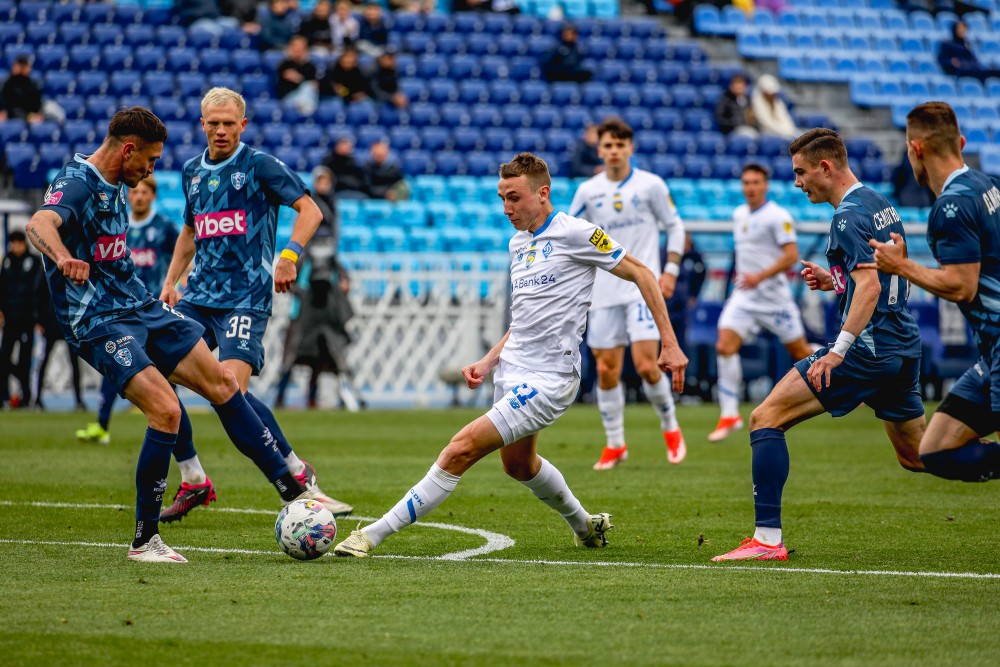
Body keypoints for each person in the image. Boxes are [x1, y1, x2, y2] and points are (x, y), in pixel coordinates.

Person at [332, 152, 689, 558]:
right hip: (512, 369)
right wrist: (490, 359)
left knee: (461, 448)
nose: (506, 208)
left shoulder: (578, 233)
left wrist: (669, 342)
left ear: (543, 193)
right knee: (518, 465)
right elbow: (524, 319)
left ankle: (371, 534)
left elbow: (642, 273)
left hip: (551, 378)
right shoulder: (518, 243)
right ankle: (585, 526)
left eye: (515, 198)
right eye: (502, 198)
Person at [25, 107, 328, 562]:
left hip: (140, 305)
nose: (151, 171)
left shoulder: (119, 182)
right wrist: (64, 258)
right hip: (97, 320)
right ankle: (145, 539)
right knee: (166, 410)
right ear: (128, 150)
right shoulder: (78, 181)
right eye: (149, 160)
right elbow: (39, 223)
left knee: (224, 384)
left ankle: (293, 491)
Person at [712, 129, 925, 563]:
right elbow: (877, 277)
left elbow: (869, 288)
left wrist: (837, 351)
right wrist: (835, 281)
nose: (797, 182)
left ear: (825, 167)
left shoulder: (846, 217)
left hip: (866, 348)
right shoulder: (879, 203)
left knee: (765, 417)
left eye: (800, 172)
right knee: (919, 456)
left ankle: (767, 540)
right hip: (901, 344)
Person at [159, 88, 353, 523]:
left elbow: (311, 211)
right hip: (198, 297)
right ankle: (192, 476)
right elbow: (190, 231)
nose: (221, 130)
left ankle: (297, 474)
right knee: (154, 370)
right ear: (202, 124)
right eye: (213, 123)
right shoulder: (191, 172)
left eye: (229, 123)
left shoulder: (259, 165)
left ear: (242, 125)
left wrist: (290, 256)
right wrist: (170, 282)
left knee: (230, 390)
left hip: (245, 298)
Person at [863, 101, 1000, 482]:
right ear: (961, 142)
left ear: (916, 148)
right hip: (992, 351)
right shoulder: (987, 184)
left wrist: (901, 266)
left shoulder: (951, 206)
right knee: (936, 450)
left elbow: (961, 286)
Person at [569, 118, 688, 469]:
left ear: (630, 149)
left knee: (647, 364)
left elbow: (675, 227)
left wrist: (670, 271)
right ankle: (615, 444)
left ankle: (670, 426)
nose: (614, 151)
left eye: (620, 145)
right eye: (608, 145)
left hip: (641, 288)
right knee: (607, 369)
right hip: (604, 291)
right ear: (599, 150)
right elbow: (569, 232)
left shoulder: (651, 185)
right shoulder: (588, 190)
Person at [708, 163, 813, 442]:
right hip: (744, 296)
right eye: (746, 183)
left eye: (755, 182)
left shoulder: (778, 216)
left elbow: (791, 255)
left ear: (765, 185)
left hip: (774, 299)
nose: (750, 188)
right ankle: (729, 414)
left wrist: (760, 276)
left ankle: (844, 368)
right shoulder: (739, 214)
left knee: (800, 351)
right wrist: (748, 278)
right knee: (724, 346)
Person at [75, 176, 179, 446]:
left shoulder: (164, 227)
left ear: (153, 196)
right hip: (120, 309)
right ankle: (101, 425)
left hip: (153, 308)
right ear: (128, 196)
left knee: (167, 369)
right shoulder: (117, 226)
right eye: (135, 192)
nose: (139, 197)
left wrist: (177, 284)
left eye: (145, 192)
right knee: (118, 361)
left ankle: (174, 427)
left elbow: (182, 258)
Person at [0, 230, 43, 408]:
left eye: (18, 243)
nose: (16, 247)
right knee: (4, 358)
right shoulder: (7, 262)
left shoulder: (33, 261)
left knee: (25, 361)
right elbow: (2, 288)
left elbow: (38, 292)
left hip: (27, 319)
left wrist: (38, 317)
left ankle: (26, 398)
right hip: (10, 319)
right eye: (13, 243)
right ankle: (3, 396)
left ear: (24, 244)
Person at [0, 55, 63, 124]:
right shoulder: (5, 84)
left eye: (25, 66)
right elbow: (7, 108)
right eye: (20, 65)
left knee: (53, 112)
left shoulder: (33, 84)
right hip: (12, 116)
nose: (23, 69)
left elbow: (37, 104)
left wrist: (37, 114)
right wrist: (28, 116)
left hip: (31, 115)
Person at [276, 36, 319, 116]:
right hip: (289, 98)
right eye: (296, 46)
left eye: (301, 47)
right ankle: (306, 111)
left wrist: (299, 78)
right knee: (307, 87)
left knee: (308, 87)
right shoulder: (284, 65)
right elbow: (282, 86)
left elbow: (314, 84)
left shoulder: (310, 66)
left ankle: (305, 109)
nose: (298, 49)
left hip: (307, 97)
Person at [751, 74, 798, 140]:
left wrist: (790, 131)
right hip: (767, 134)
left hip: (783, 133)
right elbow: (766, 123)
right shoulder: (757, 101)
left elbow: (784, 118)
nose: (772, 94)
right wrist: (784, 132)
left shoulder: (777, 101)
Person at [715, 73, 758, 137]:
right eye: (736, 84)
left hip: (748, 129)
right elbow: (719, 118)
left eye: (741, 85)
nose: (739, 87)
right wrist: (734, 124)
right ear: (731, 86)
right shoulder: (725, 100)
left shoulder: (748, 100)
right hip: (732, 131)